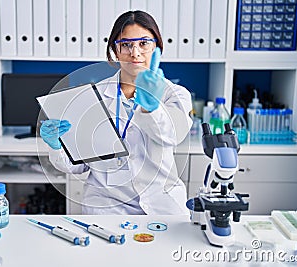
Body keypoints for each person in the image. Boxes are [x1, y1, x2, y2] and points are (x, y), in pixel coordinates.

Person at [40, 10, 192, 215]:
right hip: (107, 206)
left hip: (161, 206)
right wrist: (57, 146)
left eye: (144, 43)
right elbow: (79, 166)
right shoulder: (93, 97)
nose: (135, 53)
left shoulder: (175, 94)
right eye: (126, 45)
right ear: (116, 51)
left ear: (157, 47)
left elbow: (172, 136)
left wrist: (152, 107)